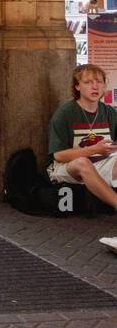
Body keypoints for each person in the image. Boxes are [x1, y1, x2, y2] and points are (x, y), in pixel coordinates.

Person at [46, 64, 117, 215]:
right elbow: (58, 155)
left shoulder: (109, 112)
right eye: (88, 82)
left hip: (101, 163)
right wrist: (94, 149)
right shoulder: (65, 113)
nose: (95, 87)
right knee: (83, 162)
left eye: (99, 82)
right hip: (67, 168)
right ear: (77, 86)